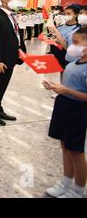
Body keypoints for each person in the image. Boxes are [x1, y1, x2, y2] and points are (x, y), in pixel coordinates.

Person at [43, 27, 87, 198]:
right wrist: (56, 87)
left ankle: (79, 189)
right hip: (63, 106)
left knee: (76, 151)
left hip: (78, 111)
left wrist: (66, 91)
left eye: (76, 43)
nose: (71, 46)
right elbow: (67, 87)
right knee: (65, 146)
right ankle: (66, 181)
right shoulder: (73, 64)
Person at [49, 4, 81, 69]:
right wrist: (53, 39)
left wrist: (56, 32)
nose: (66, 16)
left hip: (70, 58)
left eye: (69, 14)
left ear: (76, 14)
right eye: (65, 14)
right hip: (58, 55)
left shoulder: (78, 29)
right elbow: (56, 40)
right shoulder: (60, 27)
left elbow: (68, 47)